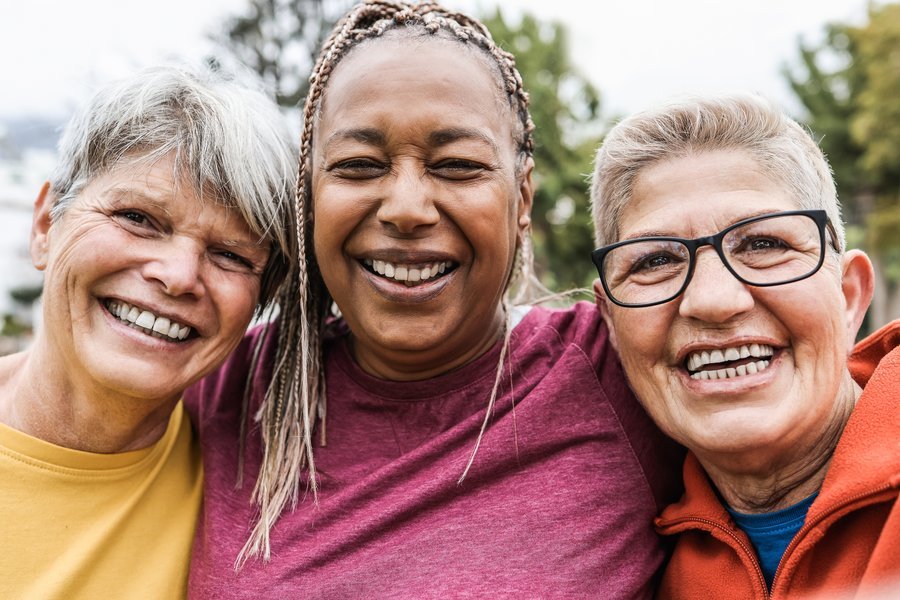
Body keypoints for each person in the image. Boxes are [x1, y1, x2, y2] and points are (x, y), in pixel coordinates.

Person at [185, 1, 682, 597]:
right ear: (310, 191)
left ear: (521, 199)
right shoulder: (225, 387)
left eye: (457, 166)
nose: (406, 209)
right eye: (358, 165)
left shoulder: (621, 372)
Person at [0, 66, 295, 598]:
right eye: (137, 217)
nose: (179, 276)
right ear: (45, 226)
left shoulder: (261, 467)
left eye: (230, 255)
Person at [590, 94, 900, 599]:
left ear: (848, 296)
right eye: (653, 262)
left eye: (763, 244)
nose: (713, 301)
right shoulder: (630, 565)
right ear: (611, 326)